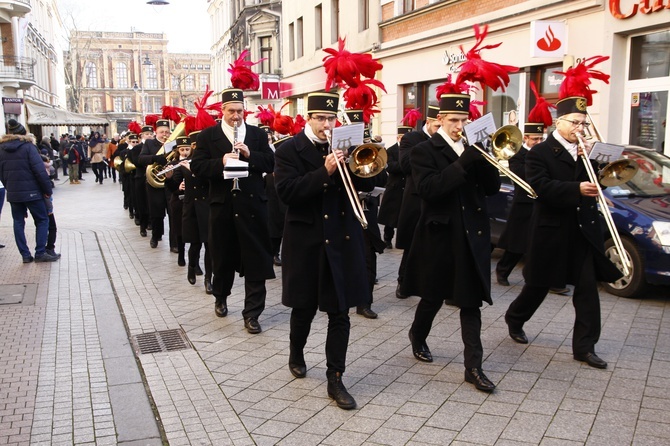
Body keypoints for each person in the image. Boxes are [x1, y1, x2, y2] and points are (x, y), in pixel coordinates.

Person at [504, 76, 622, 369]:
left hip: (582, 230)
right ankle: (515, 318)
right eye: (574, 123)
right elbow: (541, 187)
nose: (580, 129)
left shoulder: (586, 152)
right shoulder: (539, 153)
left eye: (583, 123)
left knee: (587, 290)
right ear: (558, 123)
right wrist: (576, 189)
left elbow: (598, 184)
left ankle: (584, 347)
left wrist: (597, 164)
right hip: (551, 230)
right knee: (538, 285)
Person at [274, 92, 376, 410]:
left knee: (340, 312)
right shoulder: (289, 149)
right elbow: (288, 192)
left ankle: (336, 377)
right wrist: (325, 171)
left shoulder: (344, 146)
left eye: (331, 119)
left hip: (341, 241)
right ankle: (296, 351)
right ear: (309, 118)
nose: (327, 125)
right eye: (321, 119)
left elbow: (373, 180)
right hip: (306, 242)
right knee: (303, 308)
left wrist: (364, 158)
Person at [403, 92, 501, 392]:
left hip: (472, 234)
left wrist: (484, 160)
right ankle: (418, 336)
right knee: (432, 296)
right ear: (440, 121)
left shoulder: (474, 147)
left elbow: (492, 188)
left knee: (470, 302)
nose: (460, 125)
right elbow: (431, 189)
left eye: (464, 120)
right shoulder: (424, 150)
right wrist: (463, 163)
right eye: (454, 120)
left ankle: (473, 367)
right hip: (440, 235)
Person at [191, 88, 275, 334]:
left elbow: (270, 163)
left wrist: (251, 156)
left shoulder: (257, 135)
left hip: (252, 207)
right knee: (222, 257)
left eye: (240, 111)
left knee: (256, 260)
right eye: (231, 111)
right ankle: (221, 296)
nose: (236, 116)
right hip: (223, 207)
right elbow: (196, 166)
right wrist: (221, 162)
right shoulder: (208, 136)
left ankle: (252, 314)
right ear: (222, 111)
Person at [394, 105, 441, 299]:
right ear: (428, 122)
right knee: (412, 246)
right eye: (438, 126)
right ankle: (403, 282)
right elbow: (405, 166)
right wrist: (435, 144)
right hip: (417, 200)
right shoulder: (412, 139)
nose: (442, 130)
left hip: (441, 198)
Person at [0, 119, 59, 263]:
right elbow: (39, 171)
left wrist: (9, 188)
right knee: (42, 219)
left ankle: (25, 255)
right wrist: (47, 190)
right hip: (33, 192)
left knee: (18, 222)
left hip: (14, 193)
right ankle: (40, 252)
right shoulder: (28, 147)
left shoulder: (1, 148)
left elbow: (1, 173)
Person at [495, 121, 545, 286]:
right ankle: (502, 270)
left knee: (538, 242)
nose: (538, 142)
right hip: (523, 204)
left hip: (540, 203)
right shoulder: (517, 154)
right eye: (535, 139)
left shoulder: (544, 153)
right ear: (526, 138)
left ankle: (538, 277)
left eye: (540, 139)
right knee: (515, 243)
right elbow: (521, 174)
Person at [174, 131, 212, 293]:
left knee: (209, 244)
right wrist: (174, 181)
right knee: (195, 243)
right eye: (193, 146)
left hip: (207, 206)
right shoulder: (183, 163)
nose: (194, 149)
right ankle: (192, 266)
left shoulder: (207, 162)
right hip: (191, 207)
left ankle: (208, 279)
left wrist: (194, 169)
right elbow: (174, 181)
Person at [139, 119, 173, 249]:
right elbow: (141, 159)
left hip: (170, 183)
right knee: (157, 213)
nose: (164, 134)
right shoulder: (149, 143)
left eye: (167, 132)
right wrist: (154, 158)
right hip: (155, 184)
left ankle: (174, 244)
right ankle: (155, 236)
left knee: (173, 213)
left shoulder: (173, 144)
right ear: (156, 132)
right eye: (161, 132)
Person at [378, 125, 412, 249]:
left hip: (407, 186)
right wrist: (404, 166)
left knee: (406, 215)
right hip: (394, 187)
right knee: (390, 217)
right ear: (398, 137)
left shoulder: (412, 149)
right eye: (402, 137)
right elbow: (390, 166)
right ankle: (387, 238)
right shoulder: (391, 150)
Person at [41, 155, 60, 259]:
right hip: (43, 201)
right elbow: (46, 192)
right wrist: (49, 209)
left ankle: (41, 248)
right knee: (51, 226)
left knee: (40, 225)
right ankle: (49, 248)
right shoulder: (41, 169)